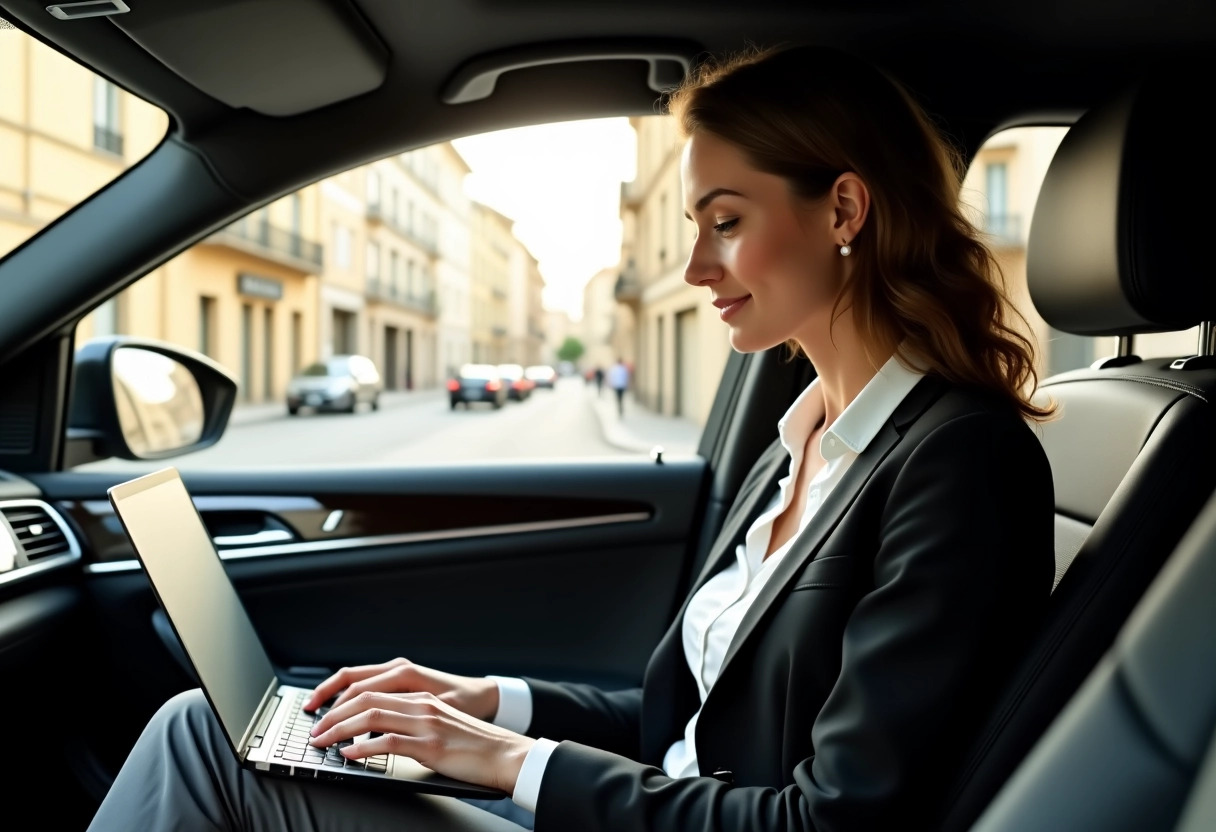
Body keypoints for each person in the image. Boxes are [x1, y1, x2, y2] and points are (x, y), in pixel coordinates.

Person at [86, 43, 1057, 832]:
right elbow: (683, 727)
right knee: (241, 727)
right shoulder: (801, 438)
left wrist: (503, 762)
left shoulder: (956, 460)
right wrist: (480, 703)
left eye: (725, 221)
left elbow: (831, 821)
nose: (691, 265)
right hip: (641, 808)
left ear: (843, 208)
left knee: (199, 742)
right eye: (691, 224)